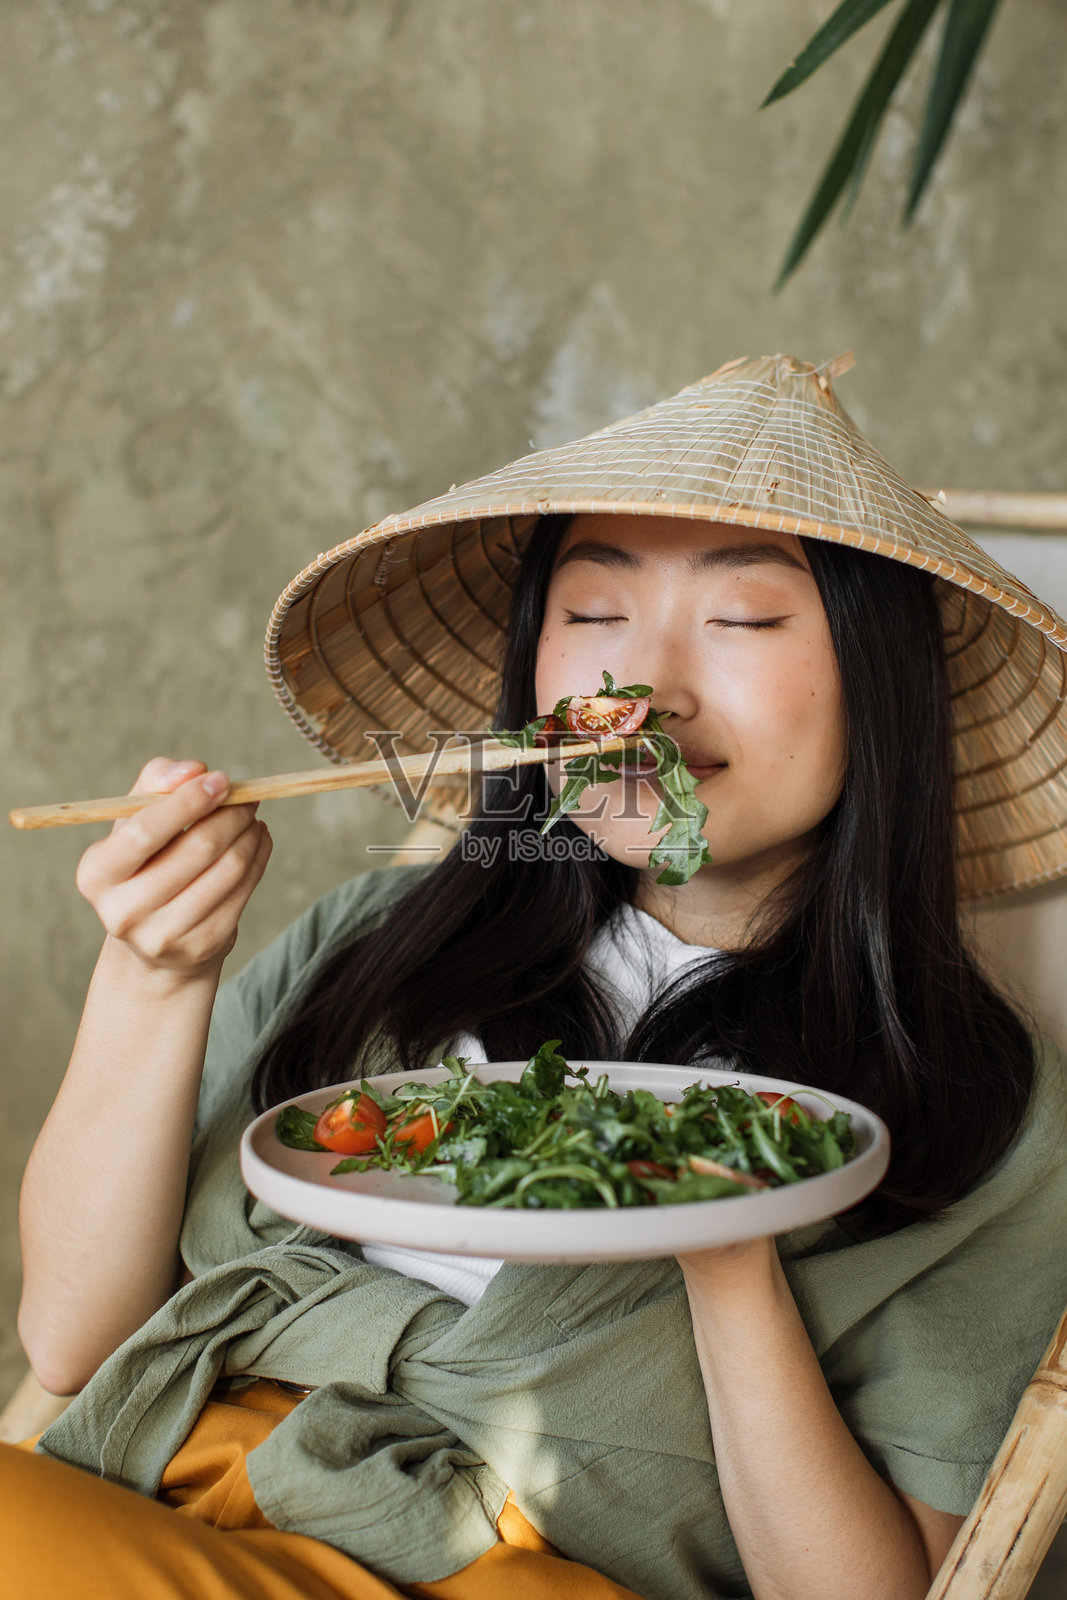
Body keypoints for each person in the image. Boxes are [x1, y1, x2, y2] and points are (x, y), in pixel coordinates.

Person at [7, 353, 1067, 1600]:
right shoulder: (378, 940)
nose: (643, 690)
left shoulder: (982, 1103)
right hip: (169, 1485)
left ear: (878, 692)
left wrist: (725, 1246)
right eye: (592, 616)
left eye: (742, 619)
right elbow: (71, 1341)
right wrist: (154, 976)